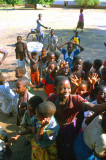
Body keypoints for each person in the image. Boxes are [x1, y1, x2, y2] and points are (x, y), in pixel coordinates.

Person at [47, 76, 106, 160]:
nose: (66, 91)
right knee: (56, 145)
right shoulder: (51, 98)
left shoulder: (75, 99)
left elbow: (94, 107)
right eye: (62, 88)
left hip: (69, 128)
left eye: (68, 88)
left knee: (68, 148)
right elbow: (44, 110)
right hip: (55, 127)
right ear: (55, 89)